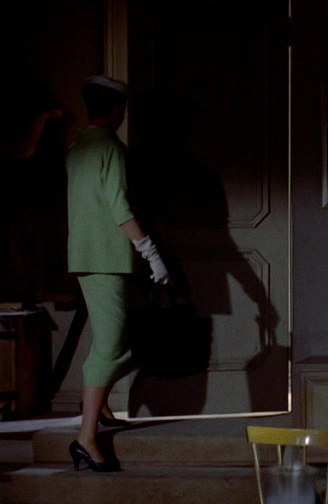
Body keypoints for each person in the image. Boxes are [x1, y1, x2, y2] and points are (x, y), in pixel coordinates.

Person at [66, 75, 169, 472]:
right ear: (116, 110)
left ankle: (99, 406)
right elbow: (119, 207)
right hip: (108, 259)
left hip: (93, 257)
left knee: (120, 338)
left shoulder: (77, 148)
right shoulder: (109, 147)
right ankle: (86, 438)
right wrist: (151, 253)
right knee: (112, 346)